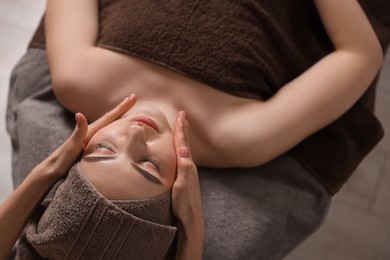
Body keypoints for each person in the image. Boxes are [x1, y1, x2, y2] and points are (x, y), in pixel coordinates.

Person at [5, 0, 387, 259]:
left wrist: (51, 169)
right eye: (149, 166)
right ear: (181, 189)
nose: (134, 134)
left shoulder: (78, 80)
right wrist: (192, 232)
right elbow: (359, 55)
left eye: (101, 151)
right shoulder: (238, 137)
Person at [0, 95, 204, 259]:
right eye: (149, 164)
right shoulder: (224, 138)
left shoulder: (71, 86)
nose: (135, 132)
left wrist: (54, 166)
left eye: (104, 148)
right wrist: (191, 222)